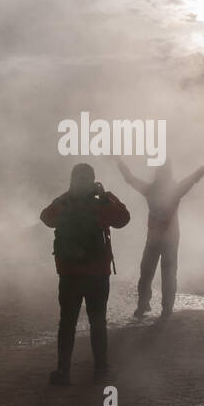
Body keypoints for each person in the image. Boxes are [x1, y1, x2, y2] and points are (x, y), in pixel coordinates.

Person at [40, 163, 131, 385]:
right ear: (92, 181)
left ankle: (63, 372)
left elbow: (45, 217)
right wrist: (105, 195)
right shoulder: (101, 203)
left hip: (69, 273)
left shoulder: (64, 202)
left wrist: (68, 195)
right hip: (97, 273)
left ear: (72, 180)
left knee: (67, 323)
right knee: (98, 321)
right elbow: (123, 219)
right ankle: (101, 370)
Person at [116, 157, 204, 320]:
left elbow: (130, 178)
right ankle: (154, 306)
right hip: (163, 239)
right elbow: (194, 177)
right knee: (155, 273)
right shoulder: (167, 190)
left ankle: (156, 306)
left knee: (153, 273)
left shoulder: (155, 190)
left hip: (164, 240)